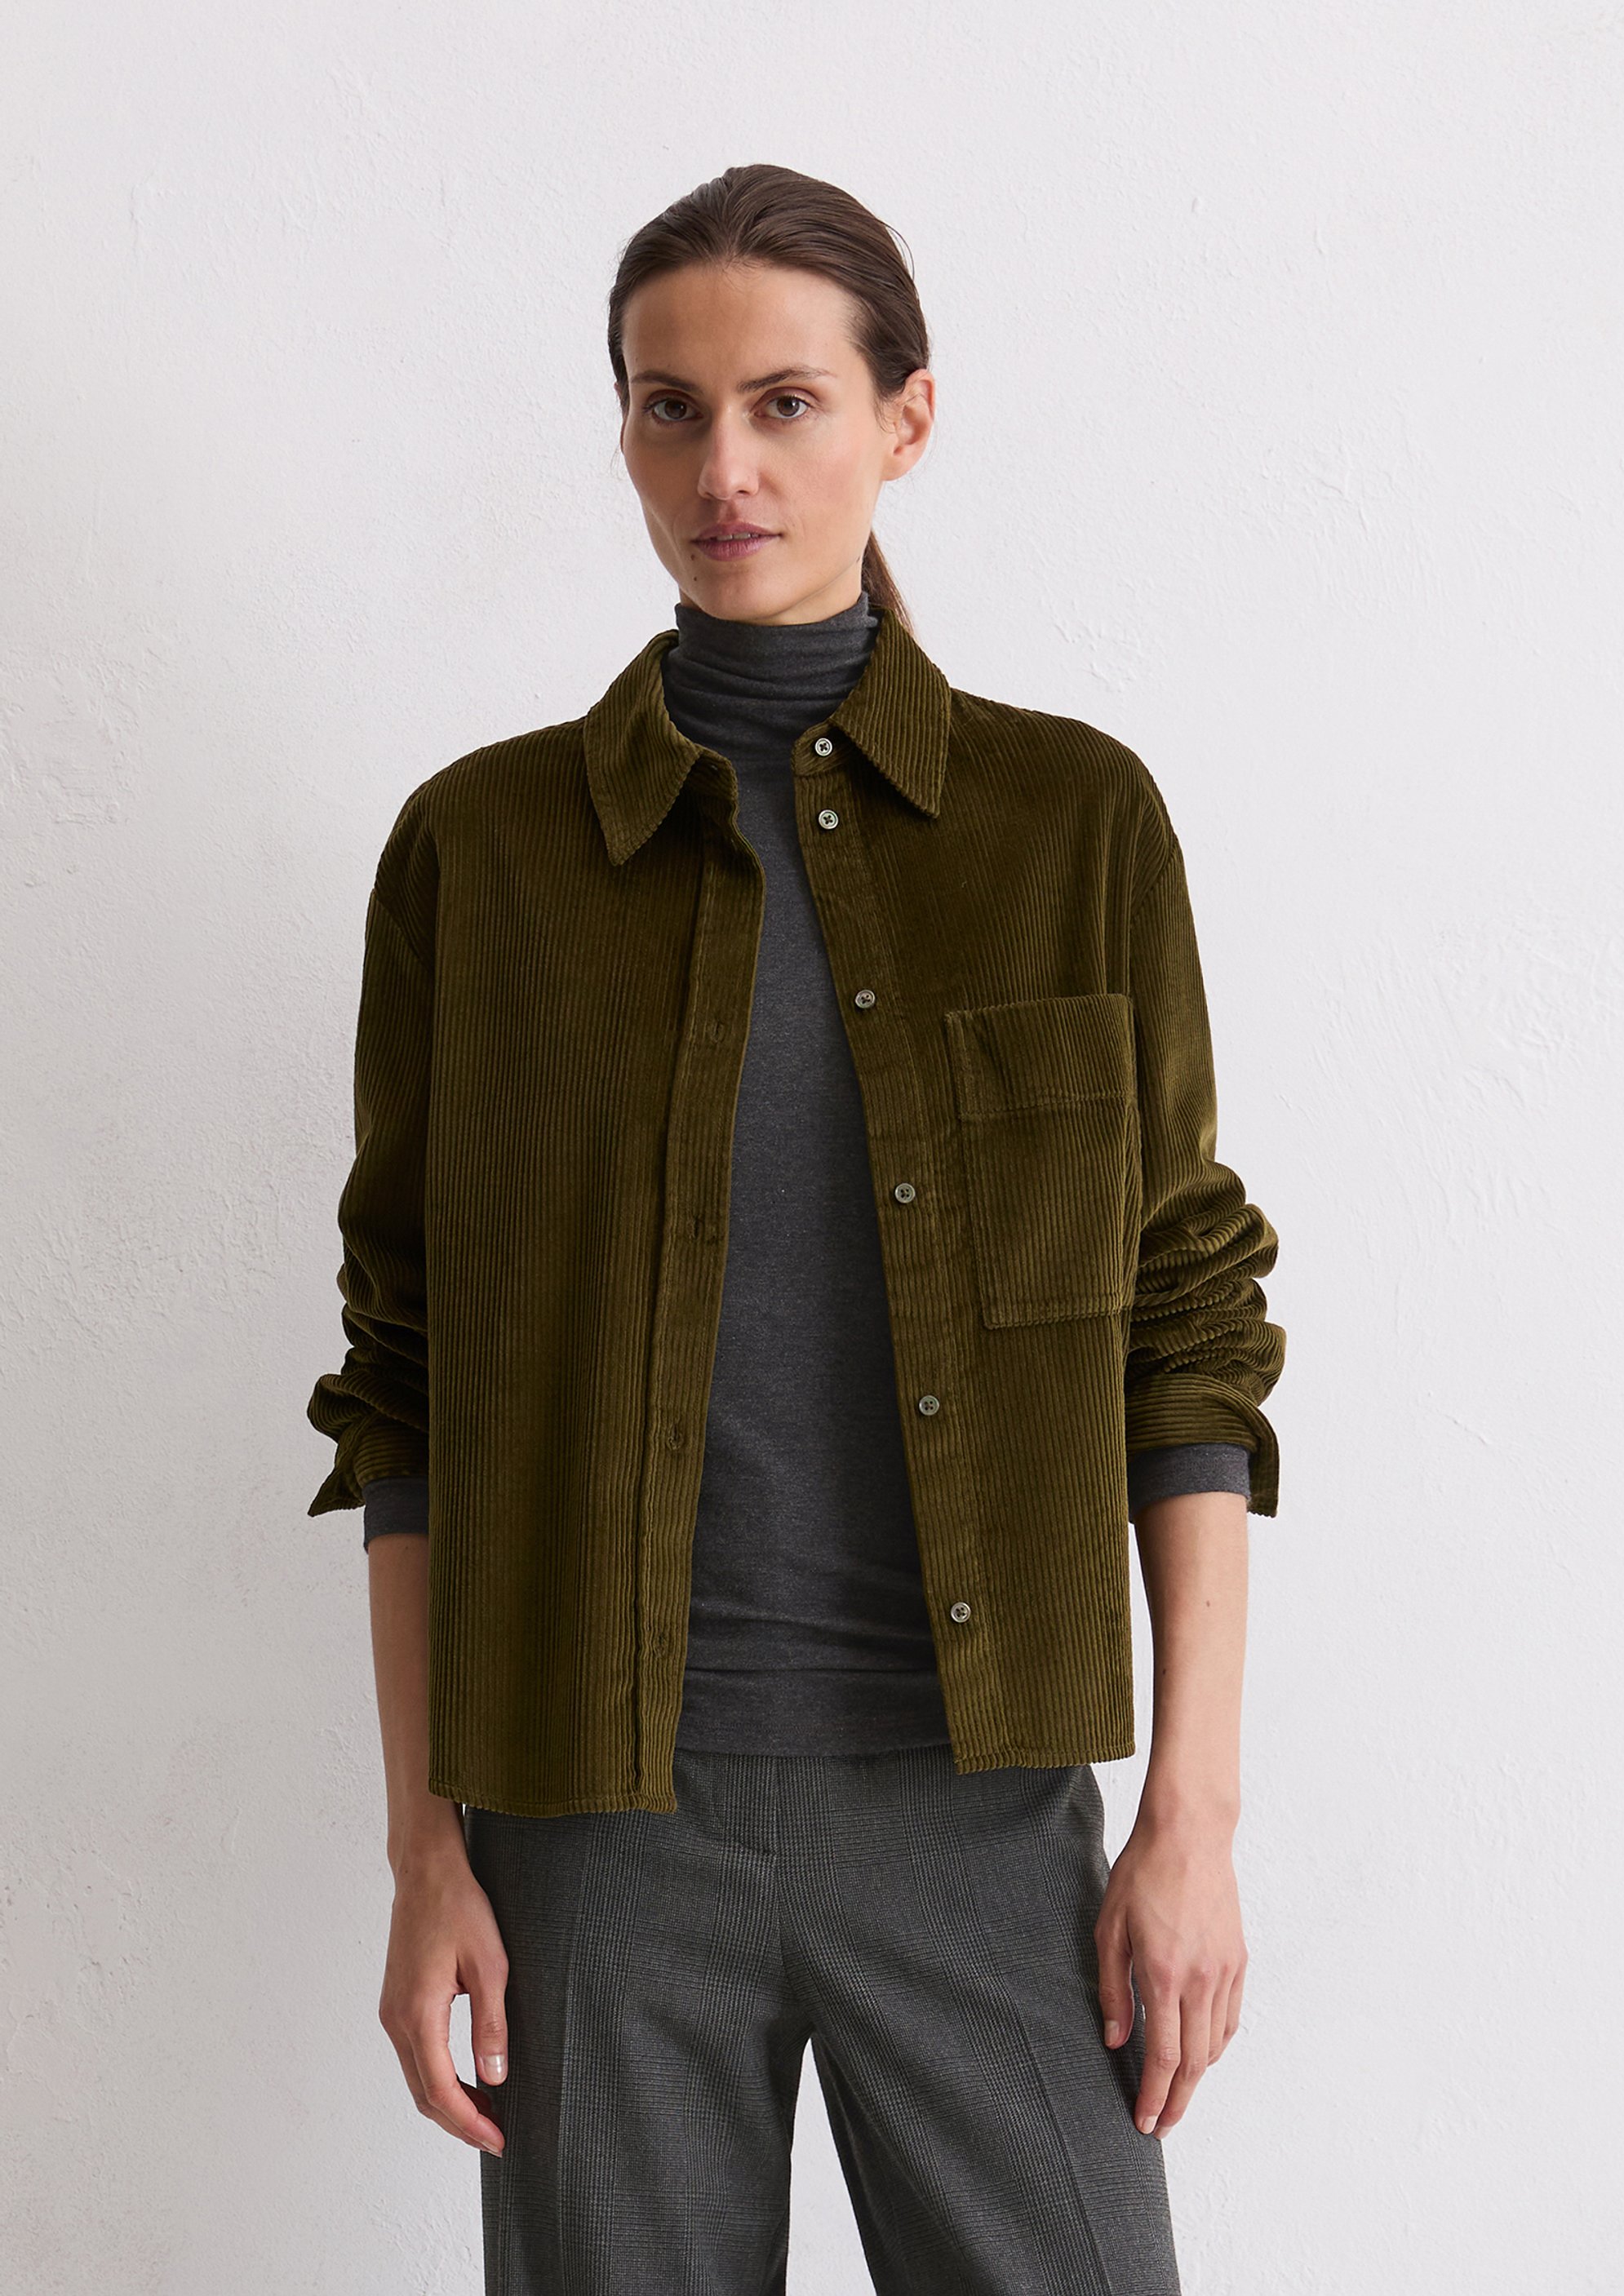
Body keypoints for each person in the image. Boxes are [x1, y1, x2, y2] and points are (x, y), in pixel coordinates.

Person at [306, 162, 1286, 2295]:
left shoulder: (1069, 824)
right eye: (667, 408)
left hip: (980, 1818)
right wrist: (425, 1847)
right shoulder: (484, 853)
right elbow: (407, 1375)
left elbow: (1185, 1326)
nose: (720, 470)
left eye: (783, 403)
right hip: (594, 1838)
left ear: (903, 419)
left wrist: (1190, 1818)